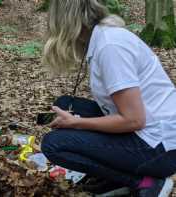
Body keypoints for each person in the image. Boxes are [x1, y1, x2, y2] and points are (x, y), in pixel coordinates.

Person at [41, 0, 176, 197]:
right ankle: (112, 177)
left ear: (66, 20)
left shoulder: (110, 47)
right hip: (151, 132)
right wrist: (76, 120)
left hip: (159, 148)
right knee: (65, 104)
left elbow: (134, 120)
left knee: (54, 144)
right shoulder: (103, 36)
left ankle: (146, 182)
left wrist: (77, 124)